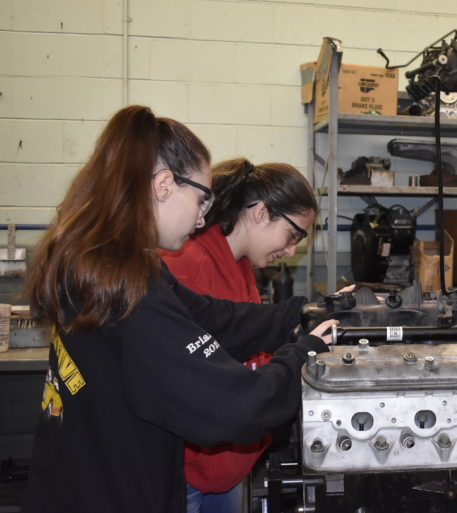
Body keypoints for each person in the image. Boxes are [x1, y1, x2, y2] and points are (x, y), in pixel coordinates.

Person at [21, 105, 337, 513]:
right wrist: (305, 354)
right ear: (165, 184)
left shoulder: (105, 263)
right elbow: (234, 407)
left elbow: (212, 319)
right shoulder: (126, 289)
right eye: (202, 200)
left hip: (75, 481)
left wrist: (306, 312)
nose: (203, 218)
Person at [161, 159, 318, 513]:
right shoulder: (189, 263)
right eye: (293, 234)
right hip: (191, 471)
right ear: (261, 212)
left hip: (227, 465)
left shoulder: (239, 263)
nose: (291, 250)